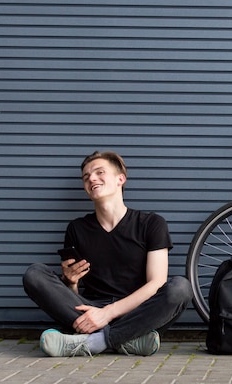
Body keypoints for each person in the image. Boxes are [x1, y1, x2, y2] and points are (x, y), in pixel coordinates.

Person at [22, 151, 192, 357]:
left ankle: (95, 342)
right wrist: (71, 282)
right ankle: (128, 341)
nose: (91, 178)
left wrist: (107, 314)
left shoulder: (151, 224)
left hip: (138, 312)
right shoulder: (76, 228)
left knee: (180, 288)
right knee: (34, 274)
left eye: (99, 172)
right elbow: (72, 297)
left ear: (121, 179)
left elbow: (156, 283)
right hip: (90, 310)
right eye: (86, 177)